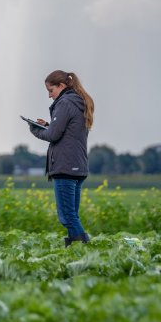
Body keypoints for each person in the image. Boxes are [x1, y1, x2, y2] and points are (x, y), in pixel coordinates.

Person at [29, 70, 94, 246]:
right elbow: (67, 131)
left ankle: (85, 249)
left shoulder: (65, 103)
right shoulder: (79, 101)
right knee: (72, 214)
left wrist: (36, 130)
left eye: (51, 90)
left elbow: (54, 135)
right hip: (78, 166)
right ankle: (76, 249)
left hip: (65, 166)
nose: (50, 96)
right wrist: (49, 125)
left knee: (67, 216)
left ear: (61, 86)